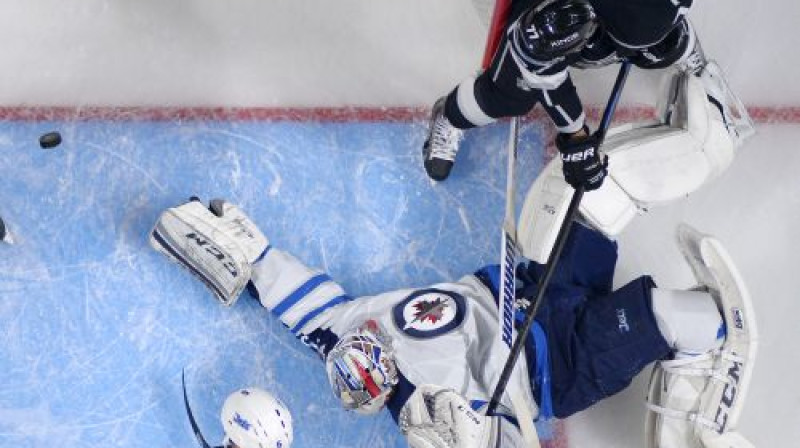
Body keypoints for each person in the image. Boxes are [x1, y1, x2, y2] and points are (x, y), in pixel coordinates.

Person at [151, 198, 757, 448]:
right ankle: (701, 380)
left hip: (524, 286)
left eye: (368, 344)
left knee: (600, 188)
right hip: (561, 363)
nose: (373, 342)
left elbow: (300, 304)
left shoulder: (343, 333)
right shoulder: (427, 415)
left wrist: (254, 258)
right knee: (688, 317)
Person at [422, 0, 709, 187]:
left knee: (664, 45)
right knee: (510, 95)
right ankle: (450, 116)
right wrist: (576, 137)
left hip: (611, 18)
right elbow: (545, 70)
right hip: (556, 13)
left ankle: (681, 49)